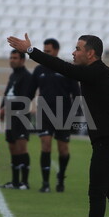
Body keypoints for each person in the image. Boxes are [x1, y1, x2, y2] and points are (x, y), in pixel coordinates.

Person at [7, 32, 109, 217]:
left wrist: (30, 51)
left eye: (78, 49)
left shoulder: (94, 72)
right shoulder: (107, 74)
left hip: (108, 143)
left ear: (91, 53)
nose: (73, 52)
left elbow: (62, 68)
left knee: (97, 194)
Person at [29, 38, 80, 193]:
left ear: (56, 51)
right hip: (44, 112)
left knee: (63, 149)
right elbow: (30, 92)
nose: (45, 54)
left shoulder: (66, 69)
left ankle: (61, 177)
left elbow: (76, 93)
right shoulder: (39, 70)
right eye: (44, 51)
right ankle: (45, 183)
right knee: (45, 144)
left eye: (48, 51)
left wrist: (76, 115)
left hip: (64, 114)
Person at [0, 49, 34, 189]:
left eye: (15, 58)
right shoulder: (13, 75)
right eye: (11, 57)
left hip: (21, 116)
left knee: (21, 148)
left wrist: (6, 108)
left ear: (22, 60)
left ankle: (24, 182)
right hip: (10, 117)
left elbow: (24, 100)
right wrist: (2, 108)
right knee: (12, 148)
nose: (12, 60)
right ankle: (14, 182)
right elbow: (7, 93)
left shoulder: (27, 76)